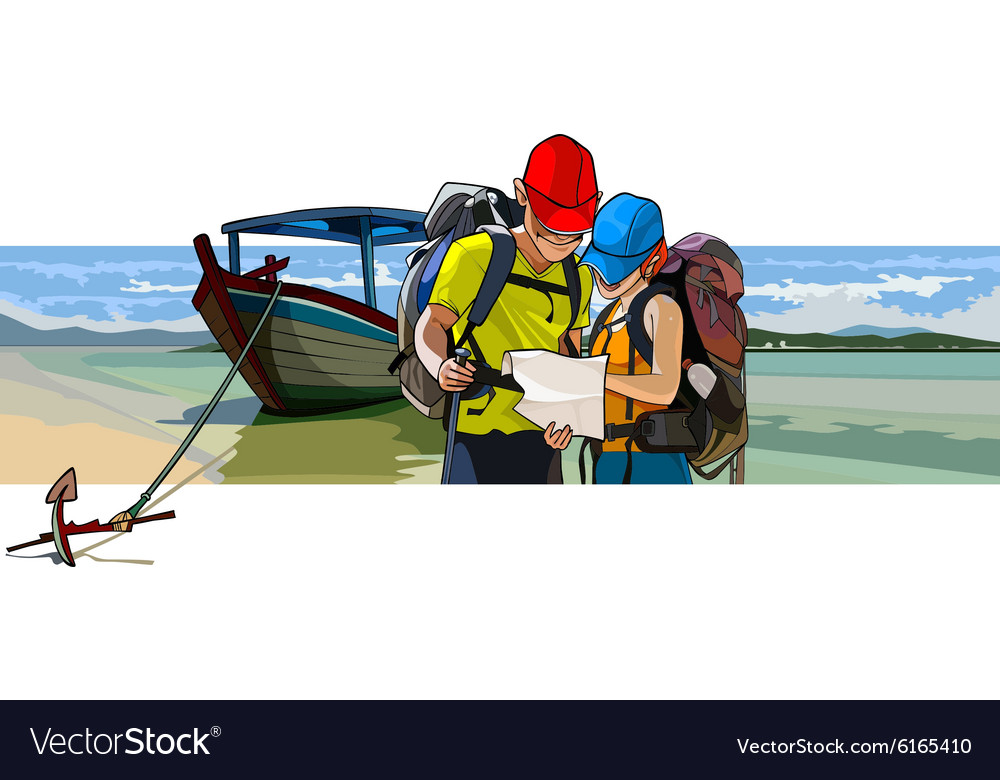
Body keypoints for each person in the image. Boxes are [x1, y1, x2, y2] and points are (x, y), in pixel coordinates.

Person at [414, 134, 599, 483]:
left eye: (574, 234)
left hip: (543, 438)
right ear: (522, 194)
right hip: (475, 431)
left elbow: (568, 356)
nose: (559, 244)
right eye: (549, 228)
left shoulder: (579, 278)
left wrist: (569, 418)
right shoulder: (475, 254)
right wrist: (440, 367)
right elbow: (432, 324)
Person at [580, 194, 692, 484]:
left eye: (620, 266)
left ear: (653, 260)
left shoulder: (662, 308)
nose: (605, 276)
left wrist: (597, 377)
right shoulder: (605, 318)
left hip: (653, 457)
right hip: (605, 456)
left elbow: (666, 387)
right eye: (602, 261)